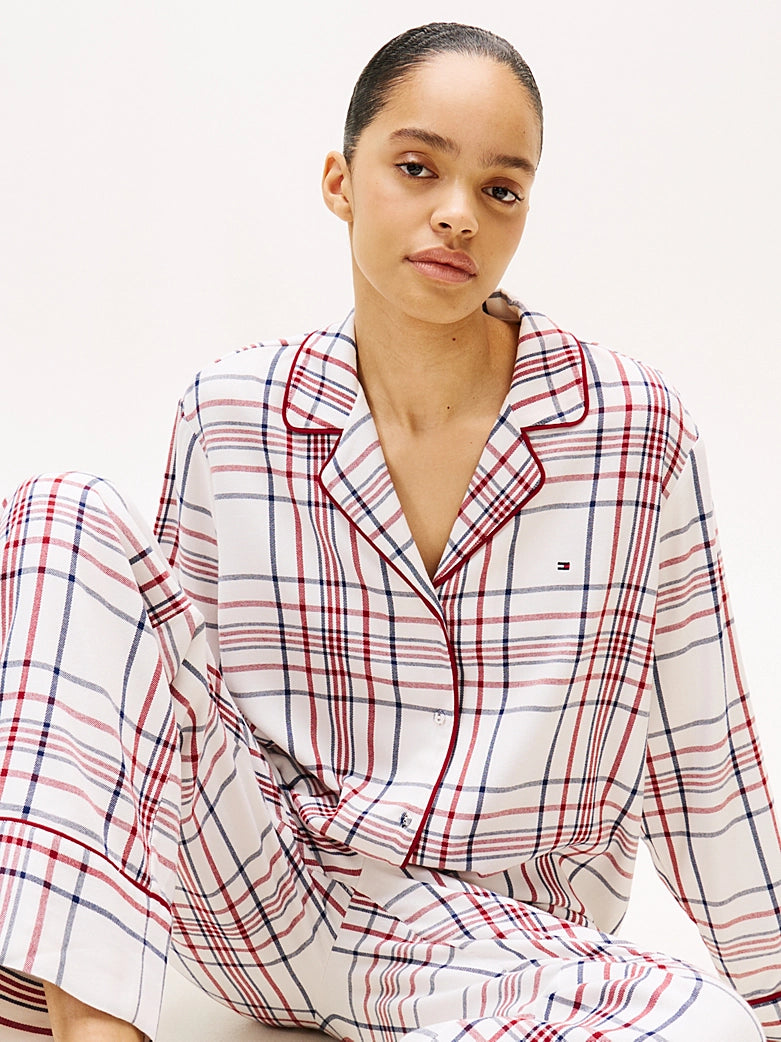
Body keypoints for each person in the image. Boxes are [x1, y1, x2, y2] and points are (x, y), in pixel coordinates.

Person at [0, 20, 780, 1042]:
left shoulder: (632, 427)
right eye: (416, 168)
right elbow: (150, 701)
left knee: (704, 1028)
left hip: (505, 945)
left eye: (499, 189)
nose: (457, 214)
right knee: (58, 512)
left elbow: (702, 756)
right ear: (340, 181)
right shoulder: (230, 412)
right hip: (264, 900)